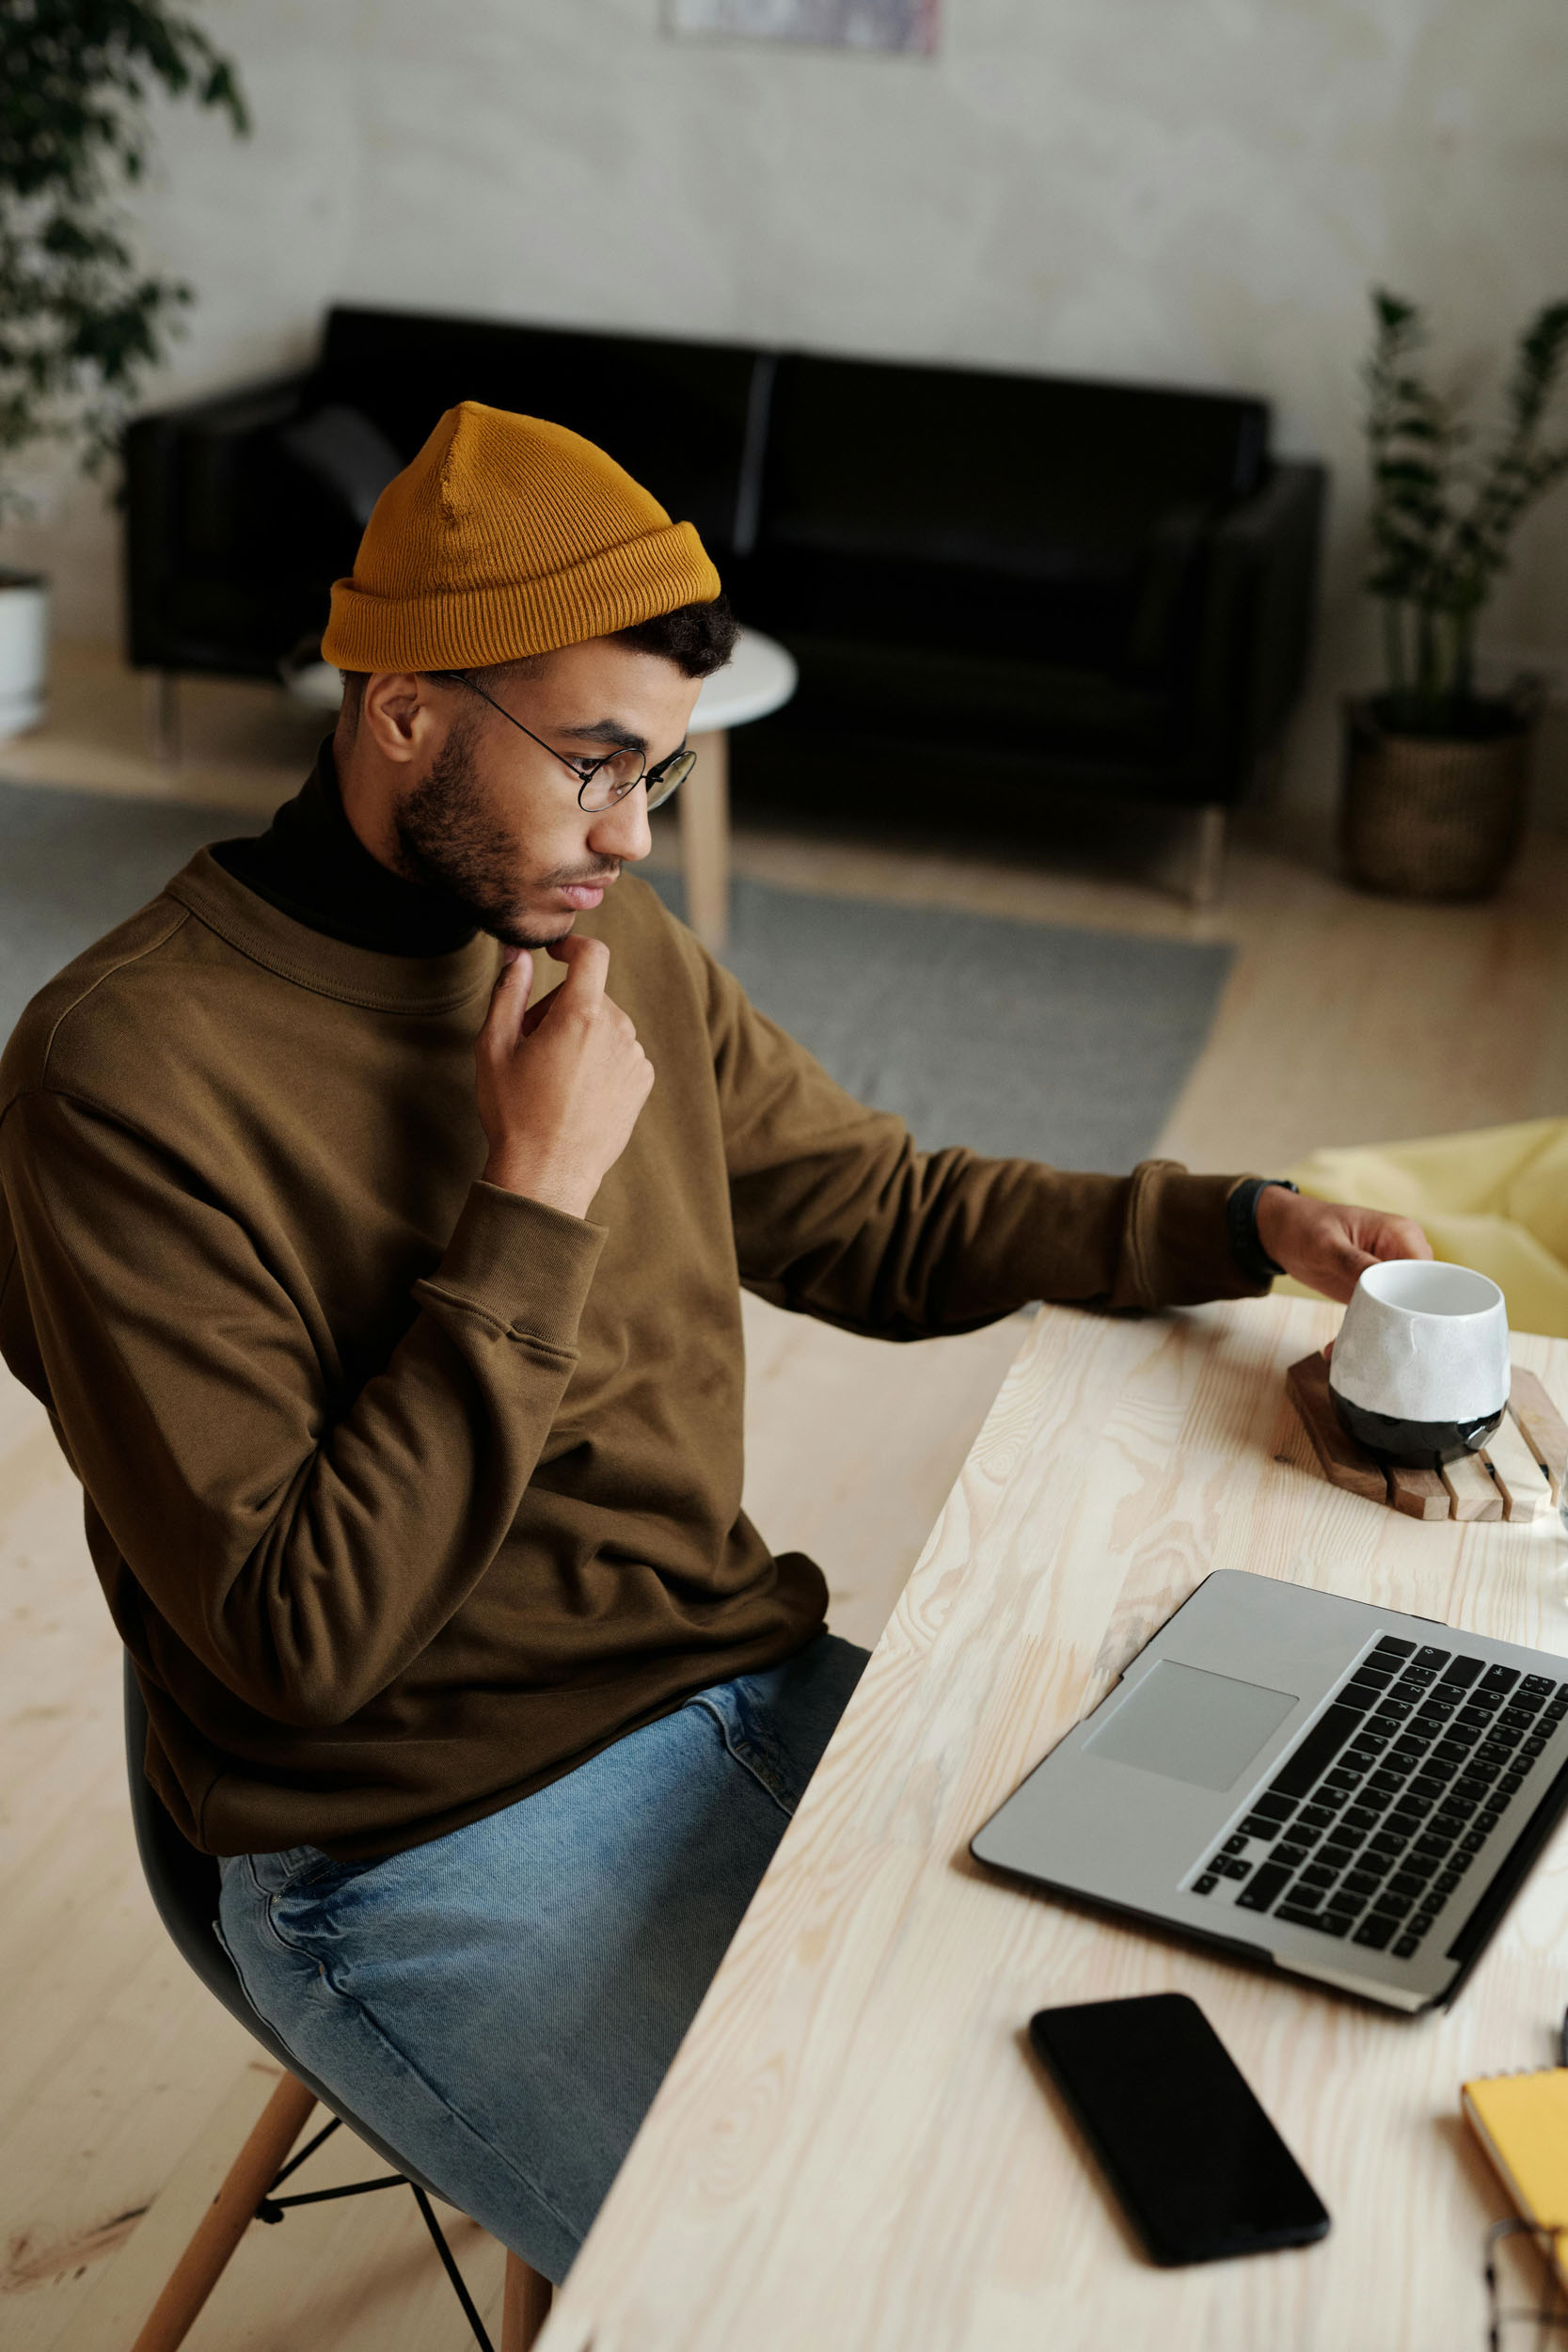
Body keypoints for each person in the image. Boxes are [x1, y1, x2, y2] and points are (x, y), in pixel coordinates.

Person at [0, 401, 1431, 2282]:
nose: (633, 835)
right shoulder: (122, 1077)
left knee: (1213, 2095)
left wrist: (1231, 1221)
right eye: (594, 764)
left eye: (655, 772)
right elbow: (300, 1636)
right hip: (412, 1836)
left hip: (746, 1685)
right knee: (822, 2287)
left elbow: (886, 1213)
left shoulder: (615, 944)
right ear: (405, 705)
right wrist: (531, 1197)